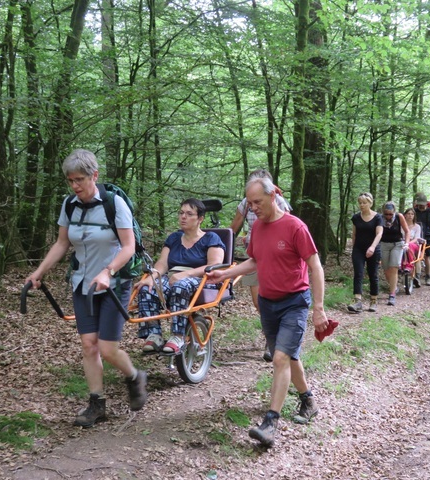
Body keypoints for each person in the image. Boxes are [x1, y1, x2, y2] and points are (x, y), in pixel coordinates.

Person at [25, 149, 147, 428]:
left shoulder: (114, 205)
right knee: (88, 345)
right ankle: (96, 403)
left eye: (80, 179)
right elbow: (62, 243)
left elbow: (128, 247)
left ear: (95, 175)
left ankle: (134, 376)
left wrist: (108, 271)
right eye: (70, 180)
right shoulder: (70, 205)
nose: (75, 185)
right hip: (83, 284)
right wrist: (39, 272)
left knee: (107, 348)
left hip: (114, 284)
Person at [207, 176, 329, 448]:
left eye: (257, 202)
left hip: (294, 302)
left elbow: (316, 266)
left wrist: (318, 308)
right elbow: (253, 261)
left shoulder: (295, 227)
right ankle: (308, 400)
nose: (252, 208)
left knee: (280, 358)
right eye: (249, 204)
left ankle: (270, 423)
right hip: (268, 303)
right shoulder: (257, 229)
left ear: (273, 196)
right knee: (285, 357)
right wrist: (225, 274)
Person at [136, 199, 225, 354]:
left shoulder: (211, 238)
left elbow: (214, 265)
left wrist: (186, 274)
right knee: (146, 288)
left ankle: (178, 335)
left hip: (202, 279)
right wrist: (152, 277)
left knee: (180, 285)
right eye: (181, 213)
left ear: (200, 219)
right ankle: (154, 334)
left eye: (189, 214)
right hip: (172, 276)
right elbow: (162, 264)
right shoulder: (174, 238)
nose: (183, 217)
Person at [230, 168, 292, 361]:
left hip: (275, 257)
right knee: (259, 302)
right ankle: (271, 334)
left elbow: (288, 225)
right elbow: (234, 226)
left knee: (273, 300)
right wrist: (223, 246)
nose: (254, 204)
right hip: (253, 255)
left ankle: (273, 340)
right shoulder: (245, 204)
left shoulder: (279, 201)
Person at [347, 192, 382, 313]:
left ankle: (373, 300)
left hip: (373, 249)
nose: (362, 205)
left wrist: (372, 247)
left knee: (373, 274)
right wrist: (353, 246)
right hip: (359, 249)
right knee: (358, 273)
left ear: (370, 203)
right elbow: (354, 233)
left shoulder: (378, 217)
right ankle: (357, 300)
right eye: (360, 203)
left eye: (364, 203)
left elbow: (379, 234)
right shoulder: (356, 217)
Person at [378, 202, 410, 306]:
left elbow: (407, 231)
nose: (388, 216)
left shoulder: (399, 217)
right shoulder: (379, 218)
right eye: (386, 214)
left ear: (394, 212)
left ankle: (392, 295)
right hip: (384, 244)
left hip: (397, 244)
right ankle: (394, 286)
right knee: (386, 269)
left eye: (390, 214)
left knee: (393, 267)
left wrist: (407, 243)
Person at [413, 192, 430, 286]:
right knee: (417, 256)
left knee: (427, 256)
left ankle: (428, 277)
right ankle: (417, 276)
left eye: (423, 204)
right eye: (419, 204)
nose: (421, 206)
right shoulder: (414, 211)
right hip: (417, 235)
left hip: (428, 235)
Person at [404, 208, 424, 288]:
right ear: (405, 215)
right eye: (408, 214)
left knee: (409, 246)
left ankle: (410, 267)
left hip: (413, 244)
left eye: (412, 214)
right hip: (402, 244)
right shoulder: (401, 225)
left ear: (414, 216)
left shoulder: (417, 226)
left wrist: (407, 243)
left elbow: (416, 238)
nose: (410, 216)